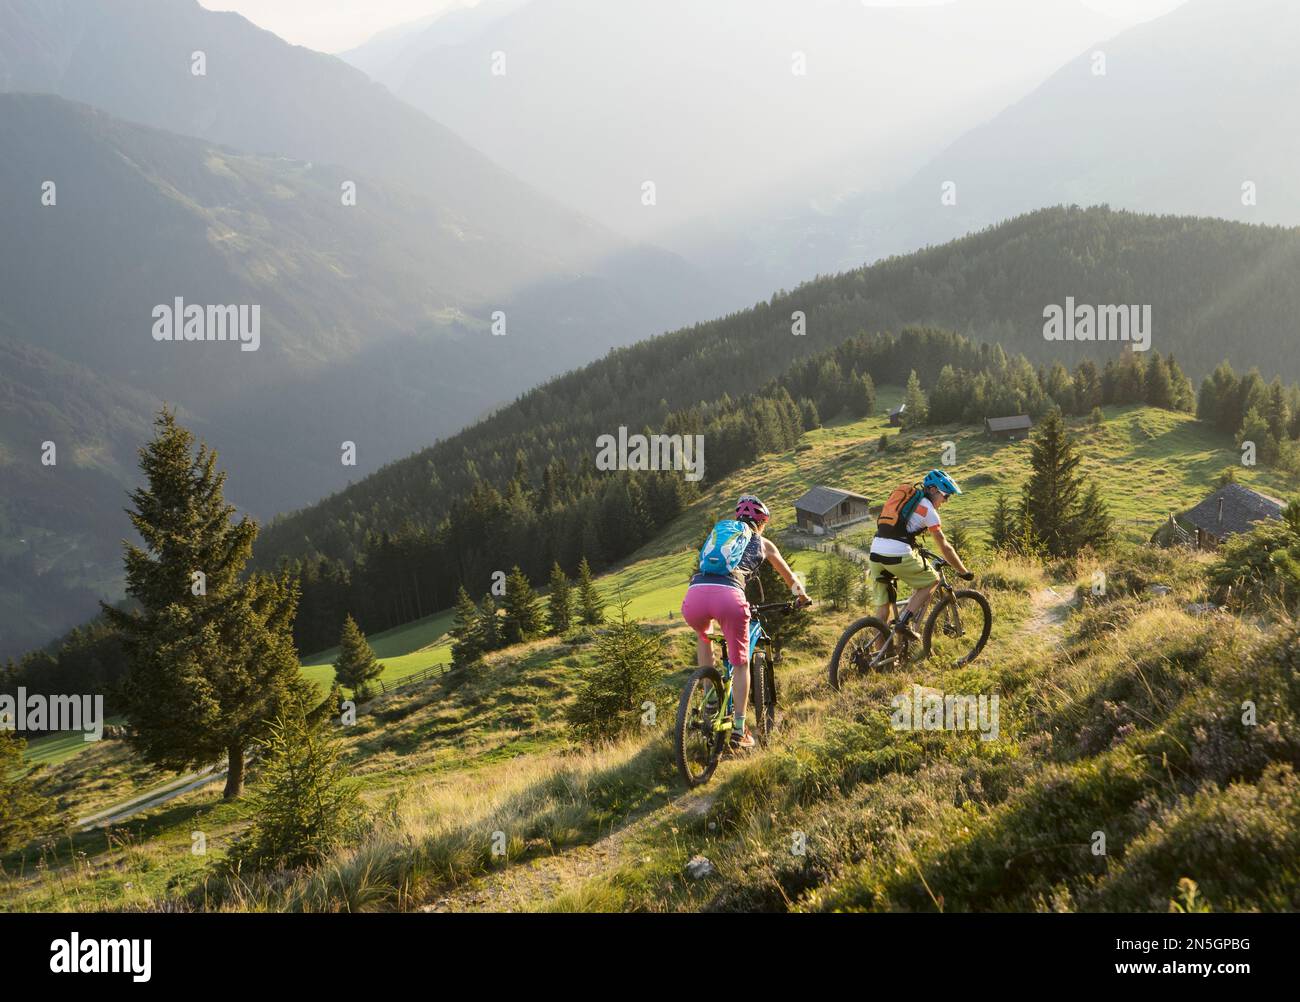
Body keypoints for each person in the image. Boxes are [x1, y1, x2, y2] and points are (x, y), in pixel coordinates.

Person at [680, 495, 808, 751]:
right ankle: (739, 729)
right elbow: (789, 577)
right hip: (729, 597)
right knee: (740, 664)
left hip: (695, 594)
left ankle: (711, 699)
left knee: (704, 636)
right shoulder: (764, 543)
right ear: (761, 523)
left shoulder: (722, 534)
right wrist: (802, 596)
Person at [866, 469, 972, 641]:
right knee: (933, 580)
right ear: (932, 490)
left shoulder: (908, 501)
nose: (946, 501)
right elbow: (945, 547)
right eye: (945, 496)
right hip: (897, 553)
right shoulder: (929, 511)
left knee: (882, 610)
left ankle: (881, 661)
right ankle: (904, 623)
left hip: (876, 550)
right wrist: (963, 571)